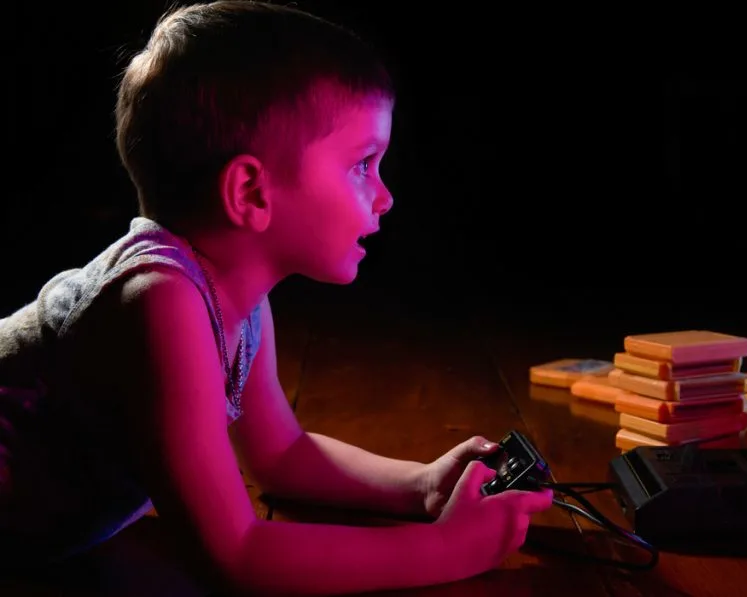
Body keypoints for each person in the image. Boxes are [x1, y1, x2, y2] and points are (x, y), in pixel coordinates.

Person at [0, 1, 553, 594]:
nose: (386, 196)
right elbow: (236, 553)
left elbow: (282, 455)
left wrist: (421, 486)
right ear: (250, 191)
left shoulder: (234, 297)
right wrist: (446, 547)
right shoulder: (160, 299)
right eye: (363, 164)